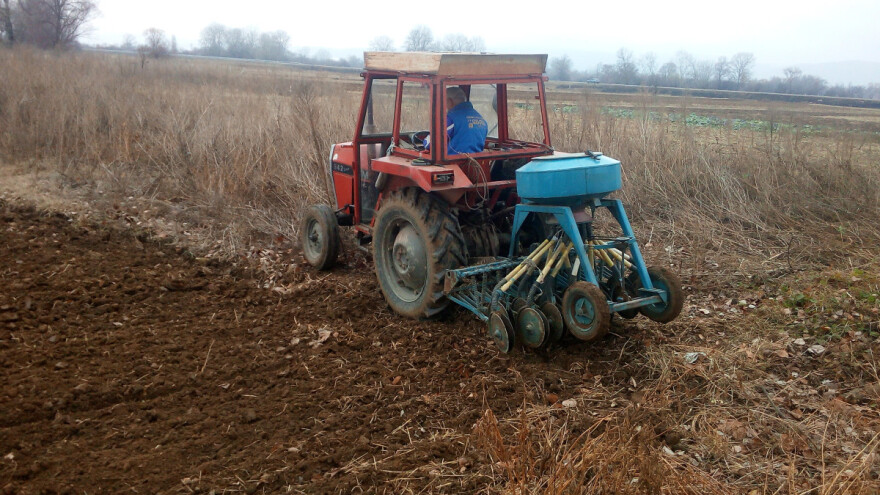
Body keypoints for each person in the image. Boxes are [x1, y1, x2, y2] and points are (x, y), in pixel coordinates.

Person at [424, 86, 487, 155]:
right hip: (476, 160)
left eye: (443, 102)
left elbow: (431, 143)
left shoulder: (451, 119)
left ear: (449, 101)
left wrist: (426, 140)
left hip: (454, 160)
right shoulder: (481, 119)